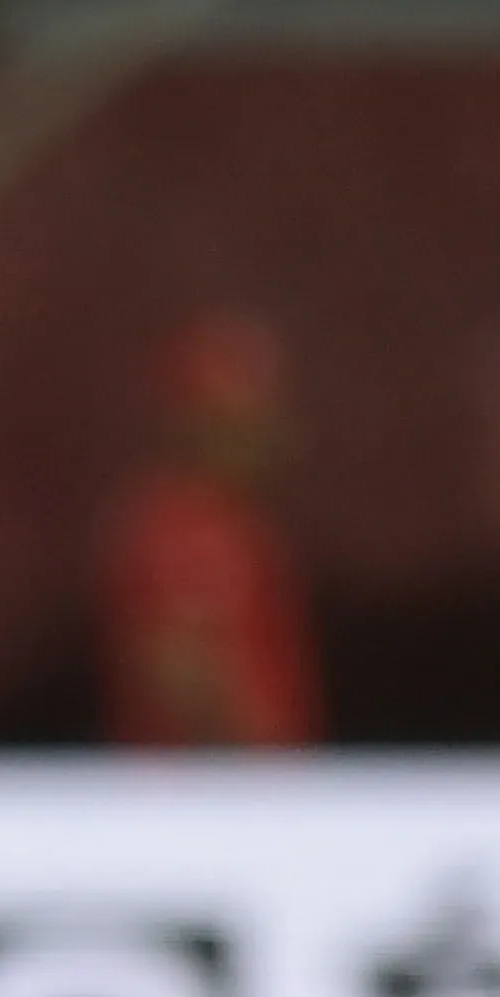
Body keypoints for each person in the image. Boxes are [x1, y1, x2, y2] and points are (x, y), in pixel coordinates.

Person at [97, 311, 325, 751]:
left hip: (239, 798)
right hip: (197, 800)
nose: (268, 431)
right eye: (247, 416)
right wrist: (246, 778)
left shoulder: (237, 522)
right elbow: (180, 671)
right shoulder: (177, 527)